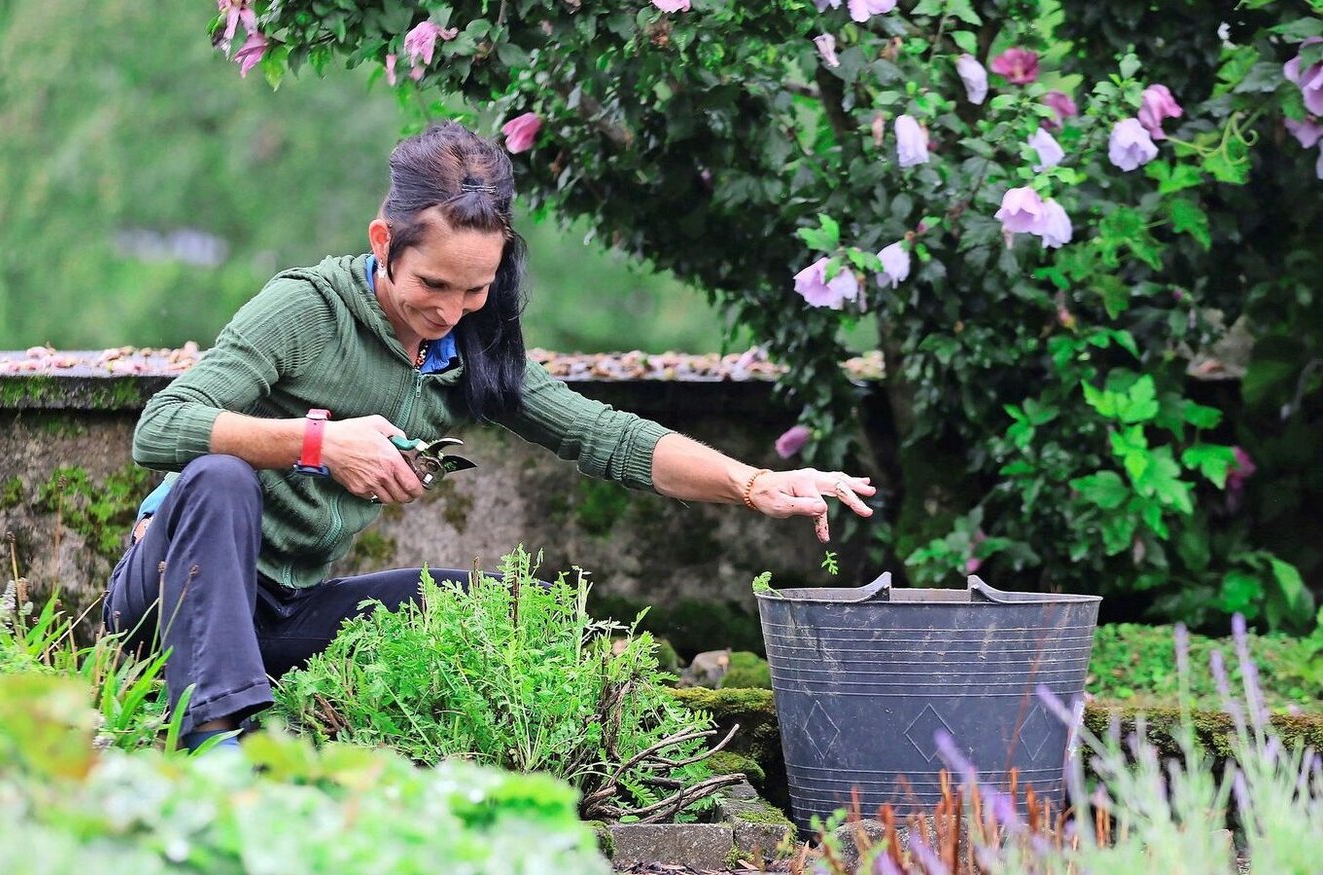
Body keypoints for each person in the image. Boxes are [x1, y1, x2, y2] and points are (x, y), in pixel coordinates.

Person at [104, 121, 877, 751]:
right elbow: (162, 426)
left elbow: (603, 435)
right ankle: (213, 741)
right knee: (221, 477)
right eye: (431, 285)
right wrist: (321, 443)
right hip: (172, 591)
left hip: (286, 609)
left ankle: (393, 743)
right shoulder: (305, 310)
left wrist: (752, 482)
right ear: (383, 241)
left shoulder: (470, 349)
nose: (448, 309)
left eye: (474, 289)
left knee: (490, 607)